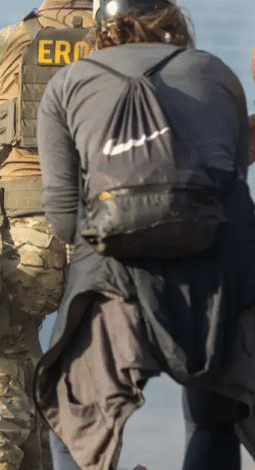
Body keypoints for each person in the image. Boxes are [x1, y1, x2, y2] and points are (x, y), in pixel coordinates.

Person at [34, 1, 255, 469]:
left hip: (114, 269)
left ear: (100, 26)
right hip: (218, 271)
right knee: (217, 415)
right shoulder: (217, 72)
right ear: (172, 20)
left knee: (72, 418)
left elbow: (64, 219)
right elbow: (233, 185)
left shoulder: (67, 83)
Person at [0, 1, 94, 469]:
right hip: (101, 227)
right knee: (95, 359)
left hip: (28, 227)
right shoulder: (121, 39)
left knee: (3, 348)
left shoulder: (5, 42)